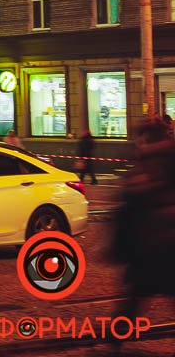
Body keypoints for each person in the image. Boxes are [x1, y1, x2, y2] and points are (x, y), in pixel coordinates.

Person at [111, 117, 175, 333]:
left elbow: (127, 201)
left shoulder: (144, 162)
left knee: (135, 296)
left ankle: (115, 336)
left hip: (148, 246)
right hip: (165, 244)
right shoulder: (167, 157)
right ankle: (115, 336)